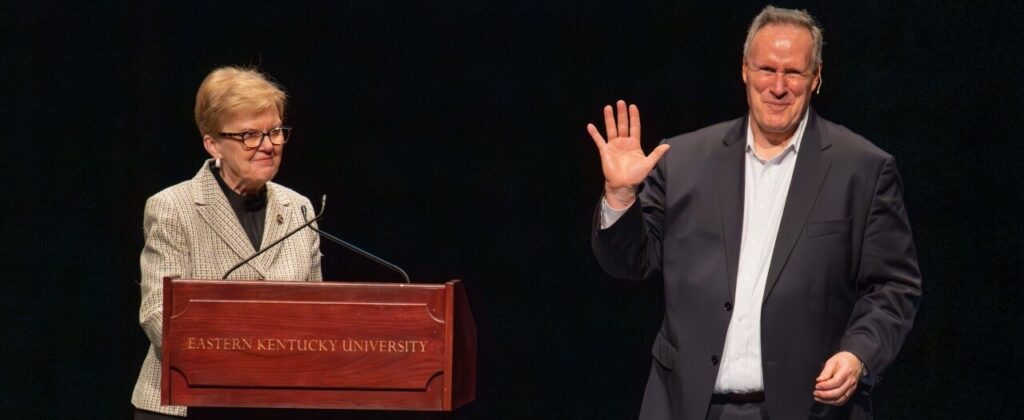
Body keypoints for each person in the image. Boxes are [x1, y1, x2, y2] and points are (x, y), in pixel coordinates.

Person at [587, 6, 921, 420]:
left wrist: (858, 355)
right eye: (766, 69)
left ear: (816, 78)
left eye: (793, 73)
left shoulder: (863, 169)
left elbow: (893, 287)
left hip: (806, 409)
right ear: (744, 70)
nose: (777, 86)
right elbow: (629, 262)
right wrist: (620, 194)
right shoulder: (685, 159)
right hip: (685, 406)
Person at [131, 66, 322, 418]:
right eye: (250, 135)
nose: (268, 146)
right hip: (189, 404)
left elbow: (315, 313)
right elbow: (159, 314)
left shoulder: (299, 208)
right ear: (213, 144)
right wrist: (245, 365)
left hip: (278, 404)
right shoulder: (173, 208)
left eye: (275, 132)